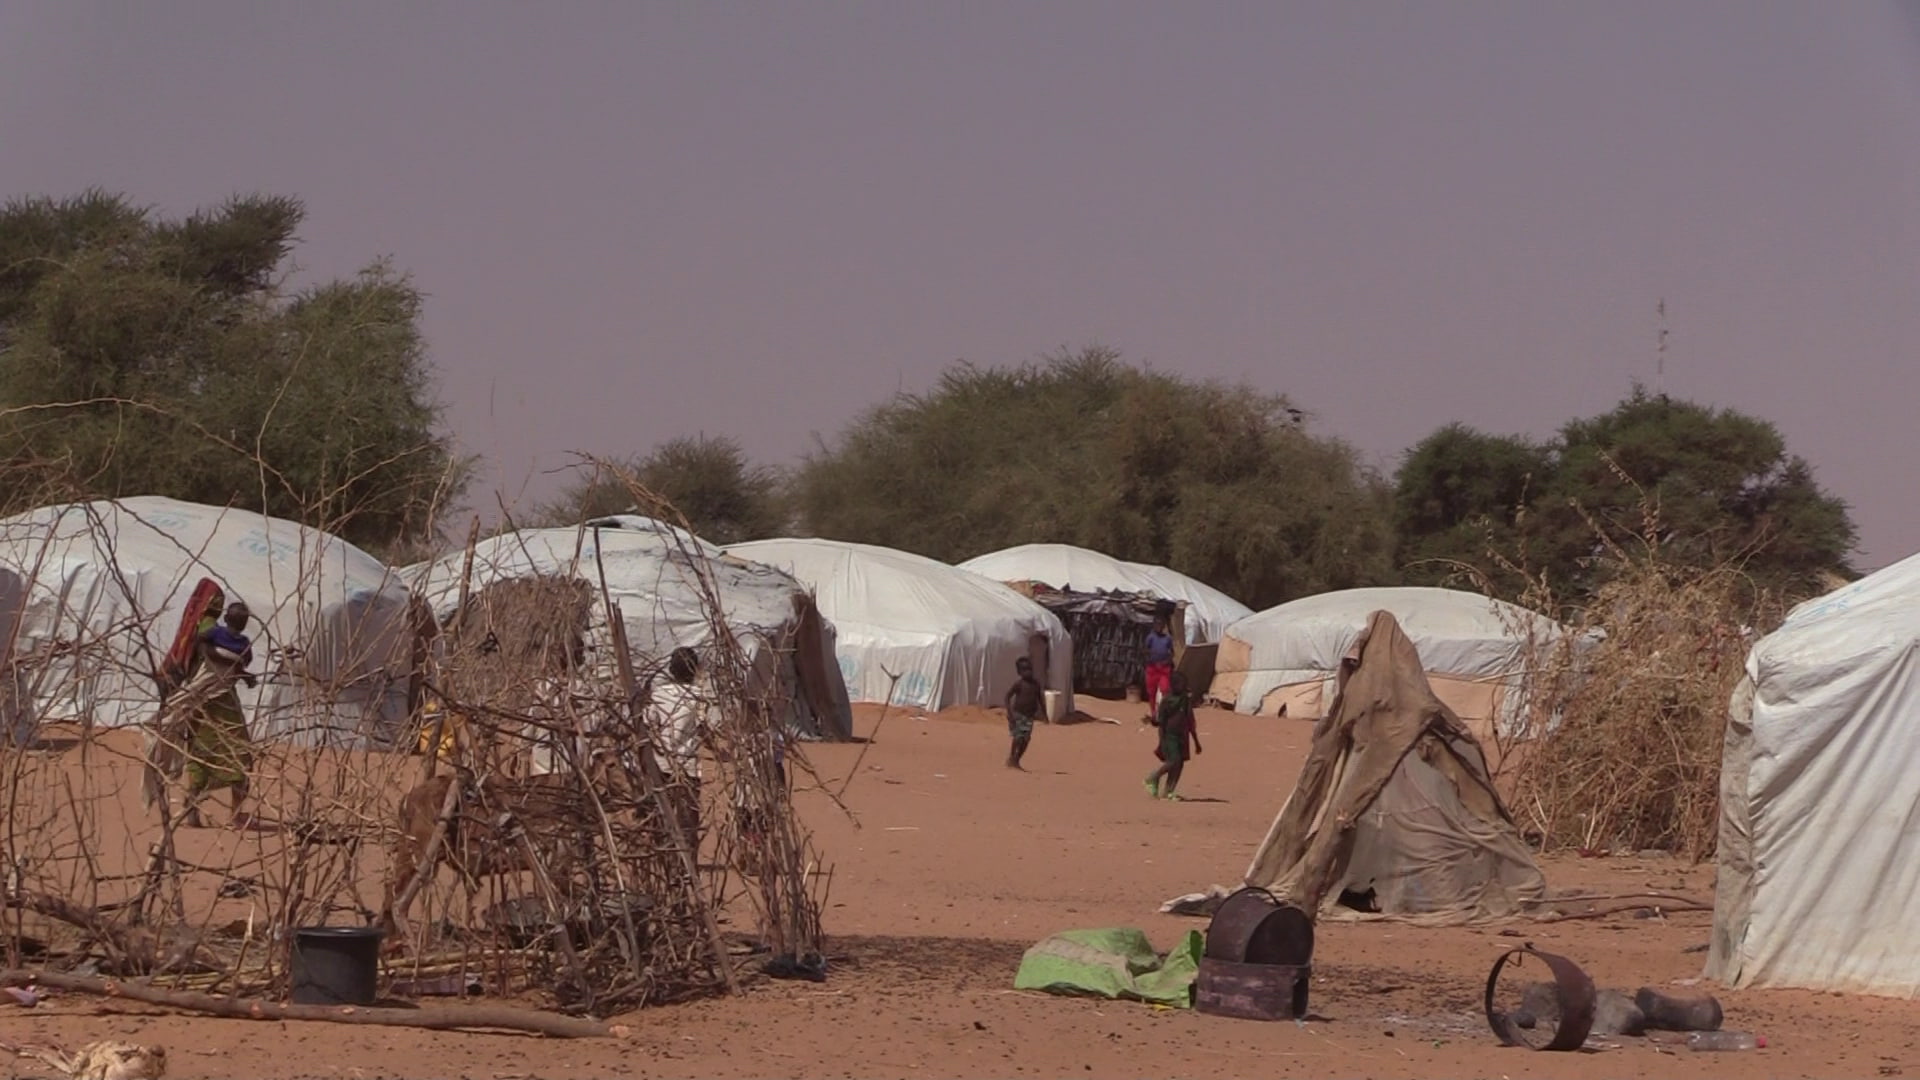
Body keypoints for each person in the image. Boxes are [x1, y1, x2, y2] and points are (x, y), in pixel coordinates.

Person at [183, 602, 259, 829]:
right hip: (223, 704)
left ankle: (192, 810)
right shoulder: (243, 644)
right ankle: (234, 815)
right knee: (239, 756)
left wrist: (213, 655)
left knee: (202, 754)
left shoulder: (213, 633)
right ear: (245, 623)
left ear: (226, 619)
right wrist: (239, 670)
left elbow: (198, 644)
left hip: (208, 701)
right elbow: (242, 662)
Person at [647, 646, 711, 840]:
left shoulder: (658, 694)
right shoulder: (698, 696)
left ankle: (662, 859)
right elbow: (703, 729)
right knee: (688, 822)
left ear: (671, 671)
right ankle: (686, 864)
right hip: (688, 767)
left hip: (661, 764)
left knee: (660, 815)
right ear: (695, 670)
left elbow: (649, 726)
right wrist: (718, 751)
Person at [1144, 671, 1202, 801]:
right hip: (1169, 736)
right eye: (1180, 684)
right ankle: (1153, 777)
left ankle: (1169, 791)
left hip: (1183, 736)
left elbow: (1190, 721)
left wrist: (1196, 741)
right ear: (1174, 685)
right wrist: (1160, 738)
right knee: (1173, 761)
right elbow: (1161, 722)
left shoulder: (1185, 700)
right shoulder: (1167, 701)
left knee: (1179, 763)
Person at [1004, 656, 1043, 770]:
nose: (1028, 672)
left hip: (1029, 716)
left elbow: (1039, 698)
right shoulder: (1019, 684)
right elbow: (1007, 697)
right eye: (1025, 670)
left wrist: (1044, 713)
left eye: (1030, 669)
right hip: (1018, 714)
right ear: (1019, 672)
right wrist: (1009, 713)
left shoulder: (1036, 684)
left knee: (1026, 739)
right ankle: (1012, 758)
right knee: (1018, 737)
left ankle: (1016, 759)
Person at [1142, 615, 1176, 713]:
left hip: (1164, 668)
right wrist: (1150, 659)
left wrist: (1167, 661)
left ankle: (1163, 711)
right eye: (1157, 624)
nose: (1159, 627)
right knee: (1151, 692)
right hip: (1152, 668)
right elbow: (1145, 650)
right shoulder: (1151, 637)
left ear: (1164, 626)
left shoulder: (1168, 638)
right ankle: (1154, 713)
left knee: (1164, 689)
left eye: (1161, 625)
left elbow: (1172, 652)